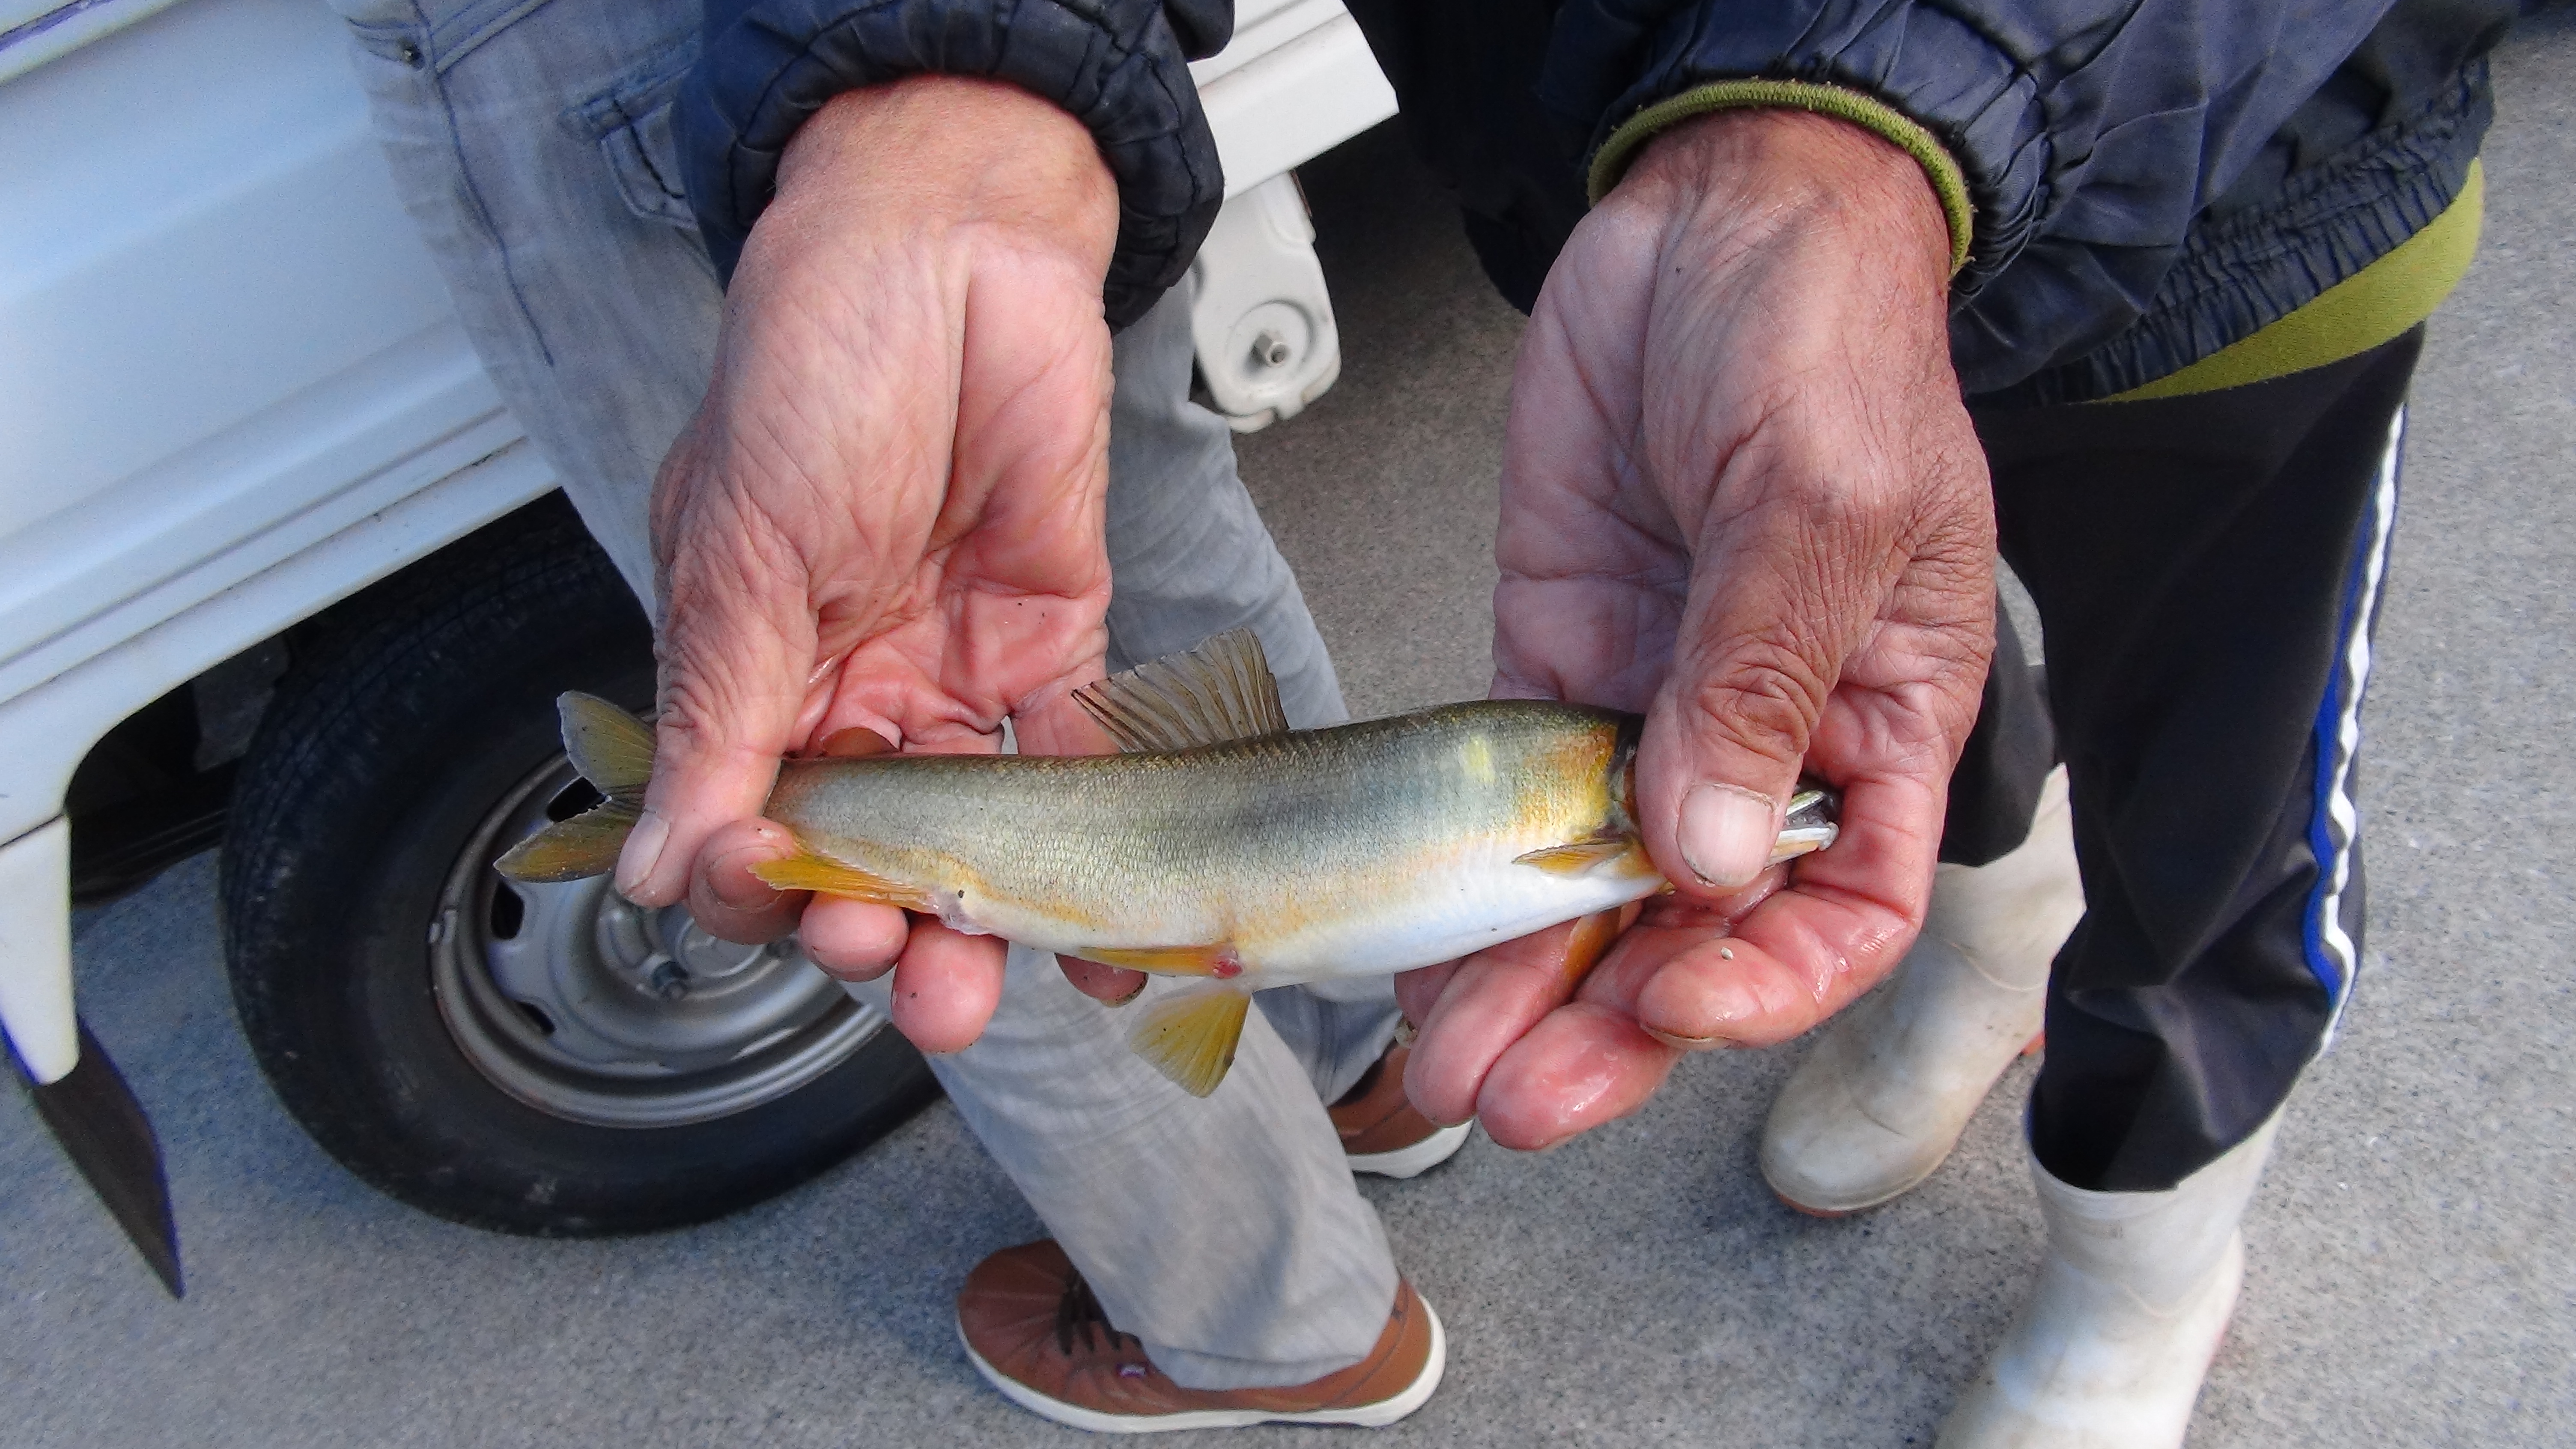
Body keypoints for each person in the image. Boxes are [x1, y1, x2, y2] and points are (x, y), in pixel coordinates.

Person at [330, 0, 2511, 1443]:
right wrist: (943, 100)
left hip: (2252, 221)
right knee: (1912, 708)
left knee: (2203, 809)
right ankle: (1975, 976)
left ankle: (2145, 1252)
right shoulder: (1643, 784)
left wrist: (1853, 143)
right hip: (1643, 204)